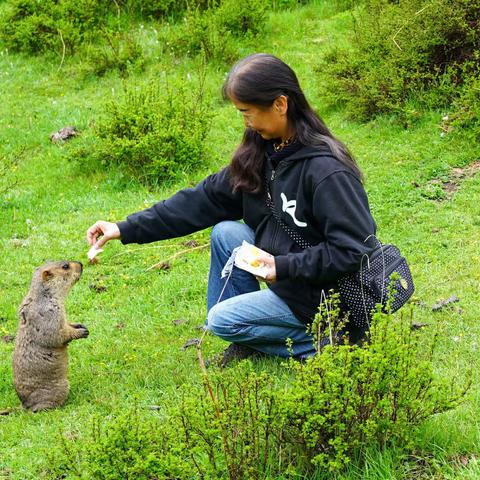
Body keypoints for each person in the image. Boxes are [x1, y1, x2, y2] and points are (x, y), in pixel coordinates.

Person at [86, 53, 376, 366]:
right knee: (227, 233)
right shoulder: (262, 152)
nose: (246, 122)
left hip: (326, 293)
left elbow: (353, 251)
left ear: (280, 104)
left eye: (248, 112)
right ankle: (257, 337)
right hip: (290, 277)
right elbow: (201, 200)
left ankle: (336, 345)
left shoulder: (326, 171)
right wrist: (125, 228)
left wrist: (283, 266)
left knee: (221, 320)